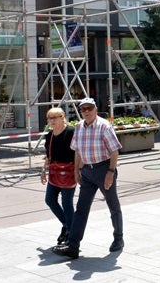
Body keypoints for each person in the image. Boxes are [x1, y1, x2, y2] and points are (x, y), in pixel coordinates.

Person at [53, 98, 124, 259]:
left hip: (103, 168)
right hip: (86, 171)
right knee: (81, 209)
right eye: (83, 109)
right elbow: (77, 150)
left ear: (95, 109)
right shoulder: (79, 127)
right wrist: (77, 170)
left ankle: (118, 238)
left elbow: (114, 151)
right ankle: (73, 246)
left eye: (89, 108)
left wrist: (110, 172)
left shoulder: (104, 126)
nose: (86, 111)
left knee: (113, 205)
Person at [40, 107, 76, 246]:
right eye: (50, 118)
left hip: (69, 172)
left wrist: (78, 171)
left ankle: (71, 234)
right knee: (50, 200)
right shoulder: (49, 135)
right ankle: (67, 225)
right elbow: (49, 156)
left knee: (67, 203)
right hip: (55, 172)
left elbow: (78, 153)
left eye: (55, 117)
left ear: (62, 117)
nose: (52, 121)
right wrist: (43, 170)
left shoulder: (71, 132)